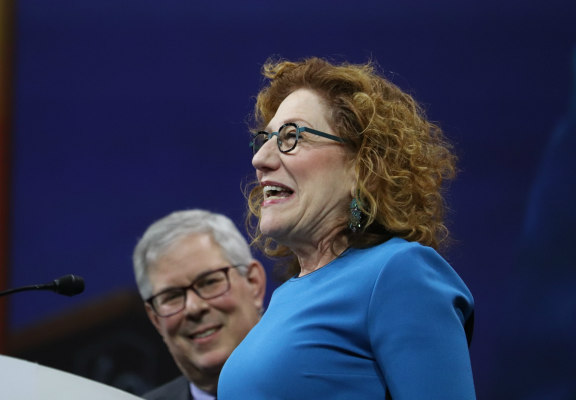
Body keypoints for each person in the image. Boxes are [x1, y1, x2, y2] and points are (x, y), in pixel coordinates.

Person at [218, 57, 475, 399]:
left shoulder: (399, 272)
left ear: (361, 167)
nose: (260, 159)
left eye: (292, 136)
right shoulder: (286, 296)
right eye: (265, 139)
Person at [132, 209, 266, 400]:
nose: (193, 308)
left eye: (210, 282)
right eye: (171, 296)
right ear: (155, 319)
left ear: (253, 282)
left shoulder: (319, 379)